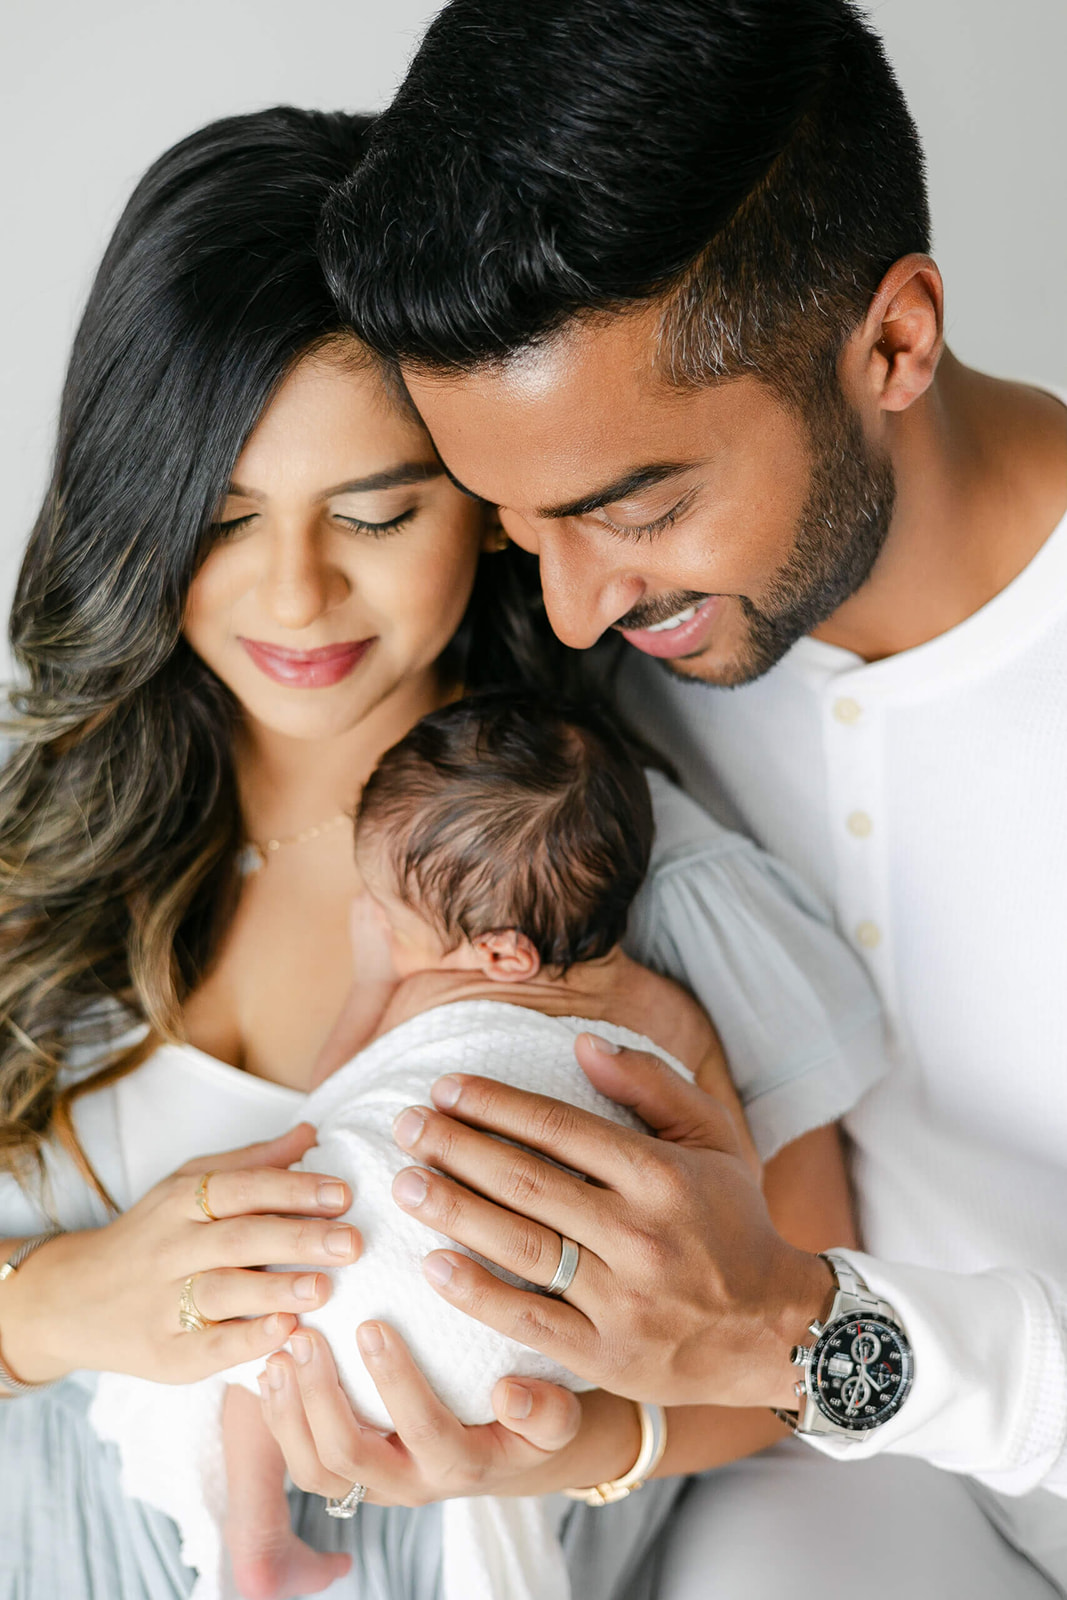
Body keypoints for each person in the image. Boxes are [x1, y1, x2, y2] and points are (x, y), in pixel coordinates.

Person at [0, 104, 882, 1600]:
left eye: (373, 511)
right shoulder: (54, 839)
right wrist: (53, 1308)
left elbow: (788, 1354)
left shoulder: (624, 890)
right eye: (219, 522)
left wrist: (566, 1440)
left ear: (483, 503)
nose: (293, 594)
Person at [317, 0, 1067, 1593]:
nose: (575, 615)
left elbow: (776, 1326)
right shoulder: (614, 693)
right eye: (522, 527)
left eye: (633, 507)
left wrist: (800, 1329)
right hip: (847, 1498)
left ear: (892, 341)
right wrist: (564, 1427)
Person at [94, 688, 783, 1600]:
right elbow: (722, 1178)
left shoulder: (420, 995)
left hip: (354, 1283)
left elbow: (332, 1100)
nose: (375, 924)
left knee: (246, 1340)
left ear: (500, 957)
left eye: (388, 912)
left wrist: (377, 978)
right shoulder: (668, 1015)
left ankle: (257, 1541)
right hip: (548, 1349)